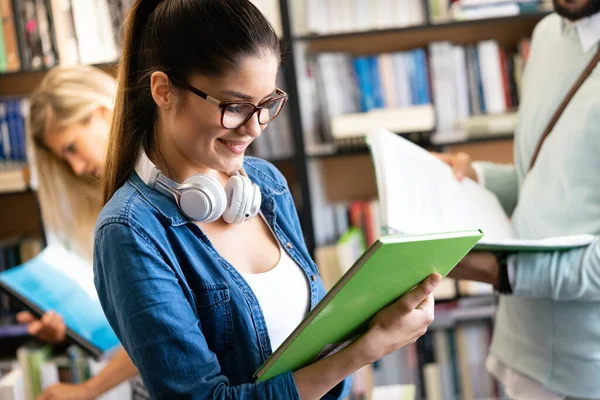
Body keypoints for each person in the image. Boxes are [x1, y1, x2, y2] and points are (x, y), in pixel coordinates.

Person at [93, 0, 442, 398]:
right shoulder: (129, 232)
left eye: (267, 104)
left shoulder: (266, 185)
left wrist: (378, 318)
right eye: (236, 106)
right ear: (163, 91)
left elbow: (313, 346)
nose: (254, 129)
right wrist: (364, 351)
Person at [439, 1, 600, 398]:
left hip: (585, 371)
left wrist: (505, 273)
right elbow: (551, 184)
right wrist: (474, 176)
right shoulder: (548, 34)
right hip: (519, 348)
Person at [19, 65, 147, 400]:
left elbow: (157, 332)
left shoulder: (150, 200)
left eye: (72, 147)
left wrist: (87, 390)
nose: (75, 168)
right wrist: (68, 331)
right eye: (65, 158)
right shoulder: (121, 199)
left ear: (102, 112)